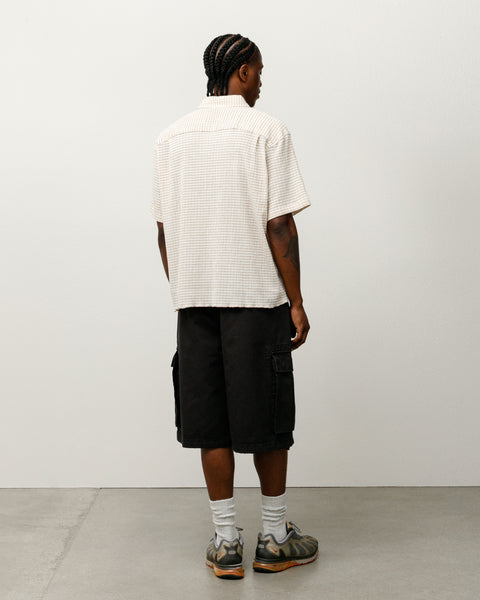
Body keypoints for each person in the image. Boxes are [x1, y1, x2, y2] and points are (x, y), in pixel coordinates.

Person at [151, 33, 318, 579]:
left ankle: (226, 543)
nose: (262, 81)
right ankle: (273, 538)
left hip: (195, 305)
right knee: (268, 417)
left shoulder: (171, 137)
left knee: (211, 423)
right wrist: (296, 301)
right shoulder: (266, 131)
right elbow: (280, 225)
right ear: (242, 71)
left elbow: (164, 230)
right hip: (256, 301)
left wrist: (187, 287)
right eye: (260, 70)